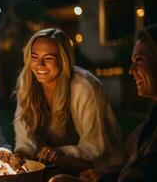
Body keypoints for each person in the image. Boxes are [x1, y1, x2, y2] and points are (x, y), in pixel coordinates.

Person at [50, 25, 157, 182]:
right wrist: (103, 177)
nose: (131, 70)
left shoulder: (85, 87)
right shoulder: (152, 116)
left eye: (139, 60)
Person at [13, 28, 124, 175]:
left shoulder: (84, 86)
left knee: (54, 168)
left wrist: (60, 152)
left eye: (49, 58)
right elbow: (24, 140)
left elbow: (96, 146)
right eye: (35, 57)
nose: (40, 65)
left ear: (63, 59)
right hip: (50, 160)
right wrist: (21, 155)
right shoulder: (27, 82)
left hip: (96, 164)